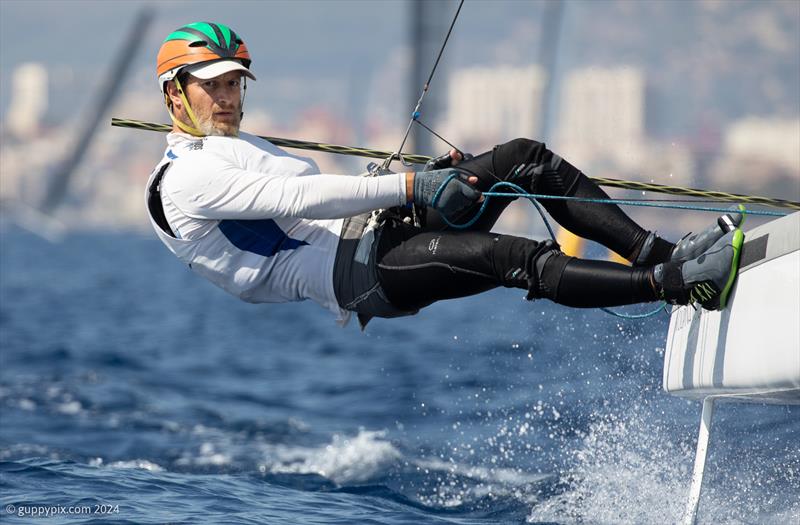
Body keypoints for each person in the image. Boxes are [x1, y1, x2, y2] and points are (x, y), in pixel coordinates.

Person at [147, 22, 744, 329]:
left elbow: (316, 199)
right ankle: (679, 286)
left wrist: (423, 178)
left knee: (523, 158)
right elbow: (302, 196)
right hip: (360, 275)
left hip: (382, 224)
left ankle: (665, 251)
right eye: (212, 86)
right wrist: (415, 185)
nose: (227, 98)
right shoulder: (185, 181)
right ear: (175, 93)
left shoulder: (233, 143)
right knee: (517, 256)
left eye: (233, 84)